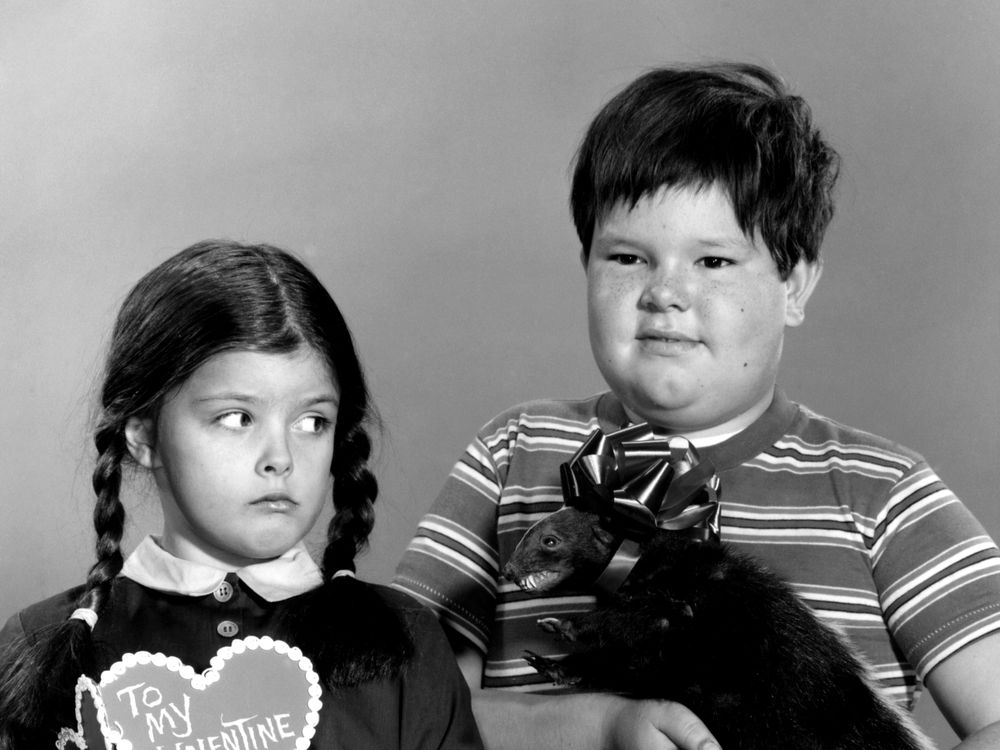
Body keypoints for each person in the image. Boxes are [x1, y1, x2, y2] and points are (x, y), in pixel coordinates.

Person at [393, 63, 1000, 749]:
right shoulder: (513, 456)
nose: (664, 293)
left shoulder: (881, 495)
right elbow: (403, 707)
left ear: (794, 284)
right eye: (627, 258)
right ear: (584, 262)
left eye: (713, 262)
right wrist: (592, 729)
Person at [0, 241, 483, 749]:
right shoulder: (39, 644)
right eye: (236, 418)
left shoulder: (406, 643)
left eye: (312, 421)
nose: (280, 457)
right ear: (143, 435)